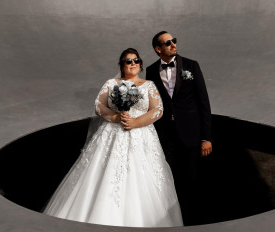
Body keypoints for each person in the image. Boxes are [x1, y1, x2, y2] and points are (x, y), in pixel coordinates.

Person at [43, 48, 183, 227]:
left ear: (140, 64)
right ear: (122, 65)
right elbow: (98, 105)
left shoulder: (148, 85)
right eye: (128, 61)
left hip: (141, 135)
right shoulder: (111, 83)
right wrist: (115, 117)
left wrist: (136, 122)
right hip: (112, 132)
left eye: (136, 60)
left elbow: (158, 109)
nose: (132, 63)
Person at [146, 31, 213, 225]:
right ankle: (175, 220)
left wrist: (206, 137)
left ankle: (194, 221)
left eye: (174, 41)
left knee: (192, 179)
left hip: (191, 134)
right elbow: (153, 103)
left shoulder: (191, 66)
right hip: (166, 136)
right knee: (170, 179)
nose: (173, 44)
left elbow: (204, 103)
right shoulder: (151, 71)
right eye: (168, 43)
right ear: (158, 49)